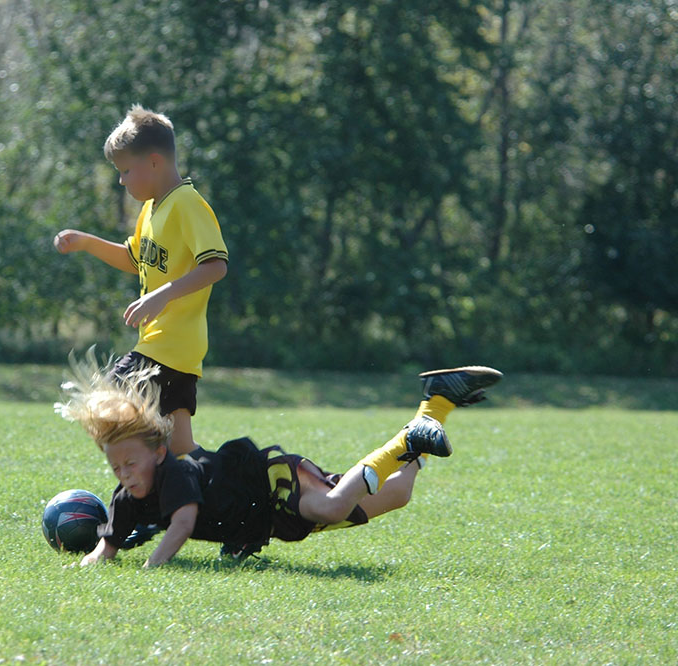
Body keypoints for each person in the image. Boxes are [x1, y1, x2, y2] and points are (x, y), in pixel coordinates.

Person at [55, 351, 502, 568]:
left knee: (331, 506)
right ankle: (436, 403)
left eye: (131, 462)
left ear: (159, 451)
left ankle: (409, 439)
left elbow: (183, 525)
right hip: (264, 517)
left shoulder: (174, 474)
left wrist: (154, 568)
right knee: (399, 492)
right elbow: (108, 543)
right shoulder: (129, 492)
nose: (124, 474)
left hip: (268, 486)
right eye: (116, 468)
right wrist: (96, 555)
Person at [53, 104, 227, 458]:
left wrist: (162, 295)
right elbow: (135, 259)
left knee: (106, 400)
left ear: (153, 162)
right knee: (181, 449)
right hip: (169, 349)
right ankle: (222, 482)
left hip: (170, 345)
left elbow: (215, 266)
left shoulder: (187, 204)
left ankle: (142, 491)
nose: (121, 180)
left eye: (125, 170)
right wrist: (87, 242)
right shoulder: (151, 209)